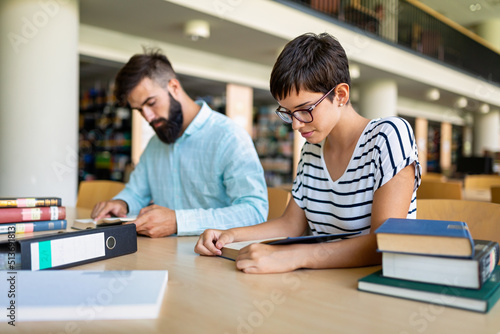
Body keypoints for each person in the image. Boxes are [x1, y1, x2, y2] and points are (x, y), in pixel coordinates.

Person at [195, 32, 421, 273]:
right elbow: (290, 225)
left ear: (340, 95)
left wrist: (293, 257)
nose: (295, 124)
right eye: (288, 113)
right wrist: (229, 235)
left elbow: (383, 241)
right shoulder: (312, 150)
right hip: (319, 284)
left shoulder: (389, 135)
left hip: (371, 287)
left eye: (304, 110)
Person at [91, 49, 268, 238]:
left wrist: (178, 221)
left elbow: (254, 212)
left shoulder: (229, 137)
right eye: (139, 110)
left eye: (151, 103)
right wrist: (122, 203)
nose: (148, 117)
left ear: (174, 87)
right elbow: (136, 193)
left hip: (212, 257)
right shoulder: (154, 145)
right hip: (162, 254)